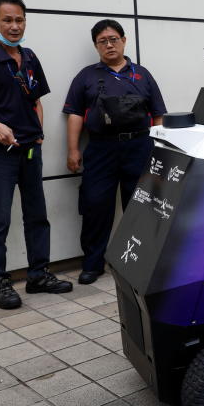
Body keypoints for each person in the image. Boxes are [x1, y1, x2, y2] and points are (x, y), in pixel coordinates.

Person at [0, 0, 73, 310]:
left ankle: (38, 275)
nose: (14, 26)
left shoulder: (30, 57)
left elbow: (36, 100)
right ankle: (0, 282)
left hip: (31, 151)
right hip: (0, 152)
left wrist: (39, 134)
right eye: (7, 20)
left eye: (19, 19)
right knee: (0, 219)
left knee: (38, 216)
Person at [63, 20, 167, 284]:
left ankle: (138, 261)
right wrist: (73, 149)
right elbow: (74, 114)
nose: (109, 45)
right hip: (100, 149)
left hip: (140, 147)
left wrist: (161, 149)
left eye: (113, 39)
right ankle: (93, 264)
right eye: (102, 41)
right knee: (96, 206)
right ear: (96, 45)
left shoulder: (142, 74)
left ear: (123, 40)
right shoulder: (86, 76)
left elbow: (158, 115)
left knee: (140, 206)